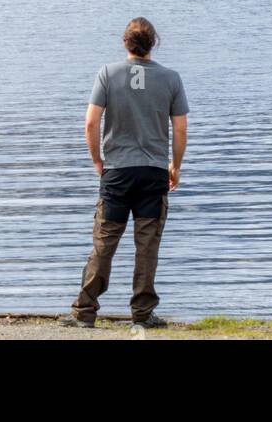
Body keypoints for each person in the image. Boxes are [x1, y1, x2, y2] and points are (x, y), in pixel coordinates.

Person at [66, 17, 188, 329]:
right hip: (153, 172)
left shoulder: (108, 73)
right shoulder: (171, 78)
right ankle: (142, 315)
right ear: (154, 44)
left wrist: (97, 160)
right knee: (147, 246)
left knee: (104, 244)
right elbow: (180, 129)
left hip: (117, 172)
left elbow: (91, 122)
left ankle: (84, 312)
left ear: (125, 43)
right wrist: (175, 166)